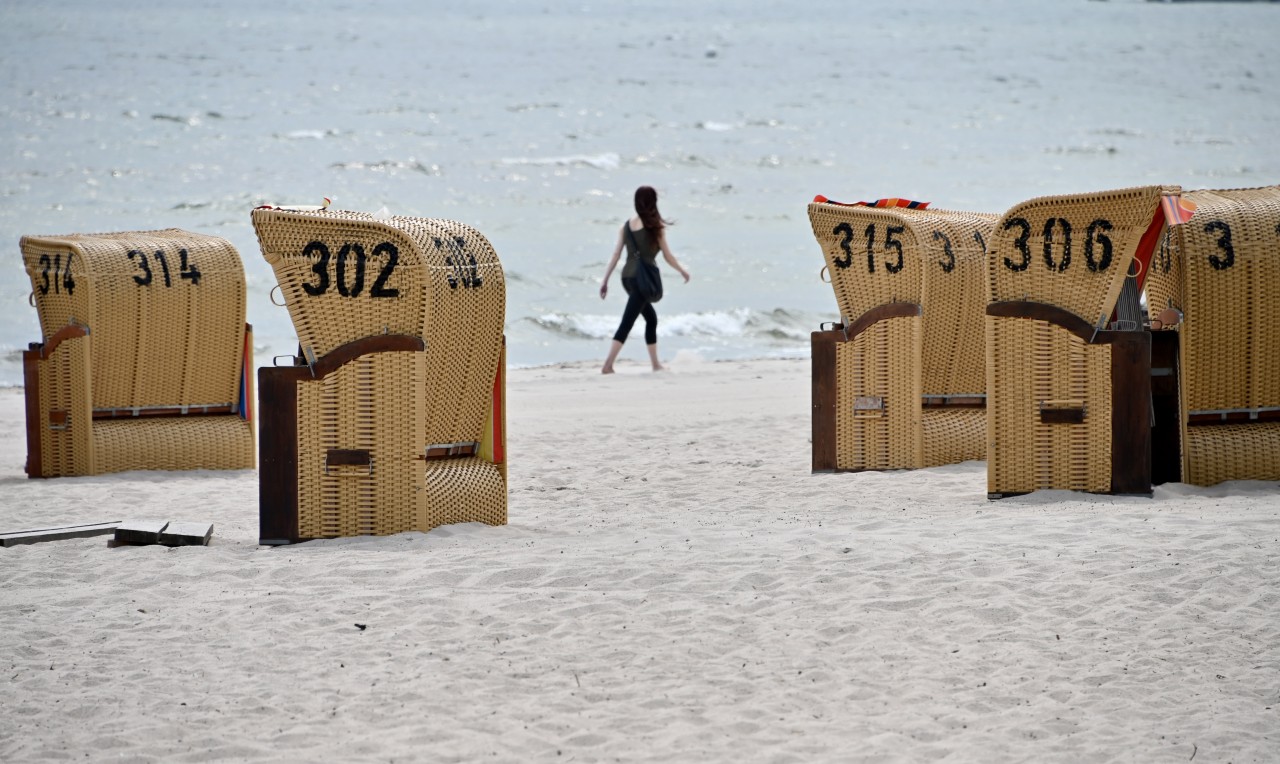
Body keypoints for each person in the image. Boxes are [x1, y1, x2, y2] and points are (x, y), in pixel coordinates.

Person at [599, 186, 691, 373]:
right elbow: (668, 256)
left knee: (651, 318)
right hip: (642, 280)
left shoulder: (625, 226)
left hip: (627, 278)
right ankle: (608, 365)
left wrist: (605, 280)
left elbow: (616, 254)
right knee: (628, 322)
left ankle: (656, 364)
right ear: (653, 202)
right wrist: (682, 270)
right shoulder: (655, 226)